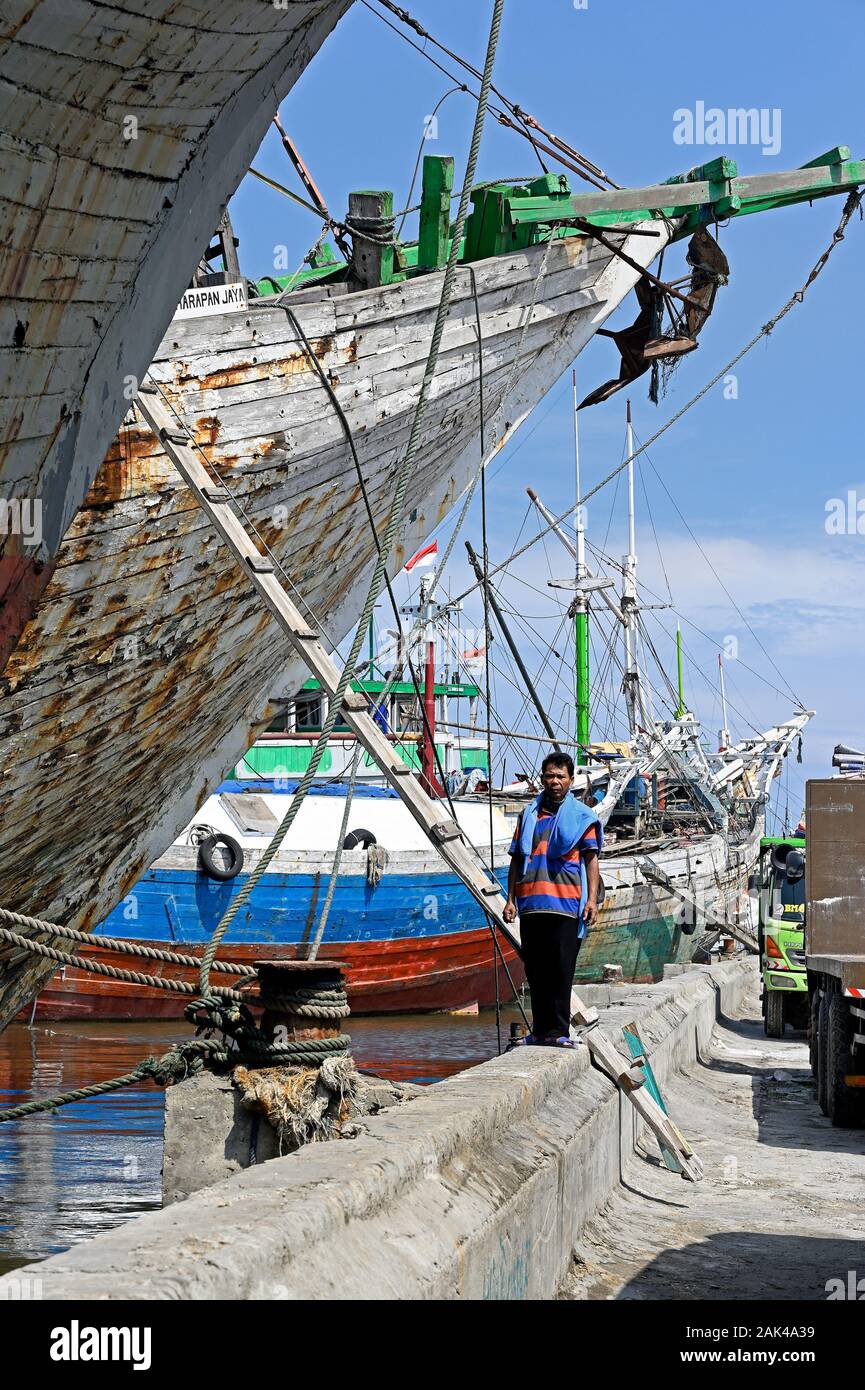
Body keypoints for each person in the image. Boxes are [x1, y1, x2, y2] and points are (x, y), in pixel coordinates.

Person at [504, 751, 602, 1045]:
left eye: (561, 776)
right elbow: (517, 860)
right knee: (536, 972)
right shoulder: (529, 816)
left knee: (561, 970)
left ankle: (558, 1032)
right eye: (549, 776)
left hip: (566, 905)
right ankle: (539, 1032)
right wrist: (510, 899)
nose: (555, 781)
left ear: (571, 780)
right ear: (542, 780)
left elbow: (591, 860)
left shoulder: (582, 818)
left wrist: (591, 900)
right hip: (531, 904)